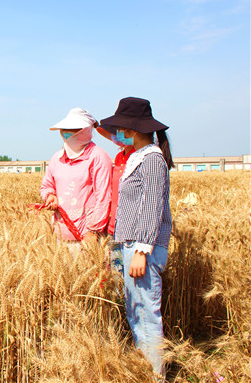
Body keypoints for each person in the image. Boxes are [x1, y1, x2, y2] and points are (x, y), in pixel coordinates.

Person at [100, 97, 174, 378]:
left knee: (146, 316)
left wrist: (142, 250)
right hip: (131, 244)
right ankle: (145, 371)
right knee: (136, 313)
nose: (117, 134)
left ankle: (155, 375)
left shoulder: (152, 160)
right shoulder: (138, 156)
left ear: (132, 130)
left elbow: (153, 205)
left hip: (142, 248)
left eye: (120, 129)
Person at [39, 107, 112, 244]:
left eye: (74, 128)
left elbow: (104, 197)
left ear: (86, 130)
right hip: (60, 234)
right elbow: (46, 185)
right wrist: (50, 196)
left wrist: (93, 231)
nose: (67, 133)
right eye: (65, 129)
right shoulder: (57, 158)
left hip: (87, 237)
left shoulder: (98, 156)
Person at [96, 125, 136, 273]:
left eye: (121, 131)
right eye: (116, 132)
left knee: (131, 278)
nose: (117, 136)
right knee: (115, 274)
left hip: (131, 232)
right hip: (113, 228)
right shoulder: (119, 156)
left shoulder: (139, 156)